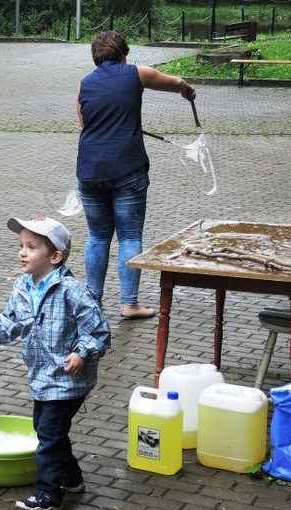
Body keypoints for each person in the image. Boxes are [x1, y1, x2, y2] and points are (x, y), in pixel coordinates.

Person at [0, 216, 110, 510]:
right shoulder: (23, 288)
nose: (22, 253)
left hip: (68, 378)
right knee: (47, 430)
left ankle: (48, 493)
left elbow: (98, 331)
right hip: (41, 376)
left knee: (49, 434)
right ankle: (72, 479)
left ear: (54, 257)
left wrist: (81, 352)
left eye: (31, 247)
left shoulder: (72, 291)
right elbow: (9, 323)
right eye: (21, 246)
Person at [76, 30, 196, 319]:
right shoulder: (136, 73)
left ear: (96, 58)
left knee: (97, 236)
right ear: (123, 54)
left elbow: (83, 122)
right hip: (127, 166)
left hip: (90, 169)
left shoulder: (85, 84)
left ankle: (93, 303)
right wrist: (188, 91)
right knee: (129, 236)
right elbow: (175, 83)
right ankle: (129, 304)